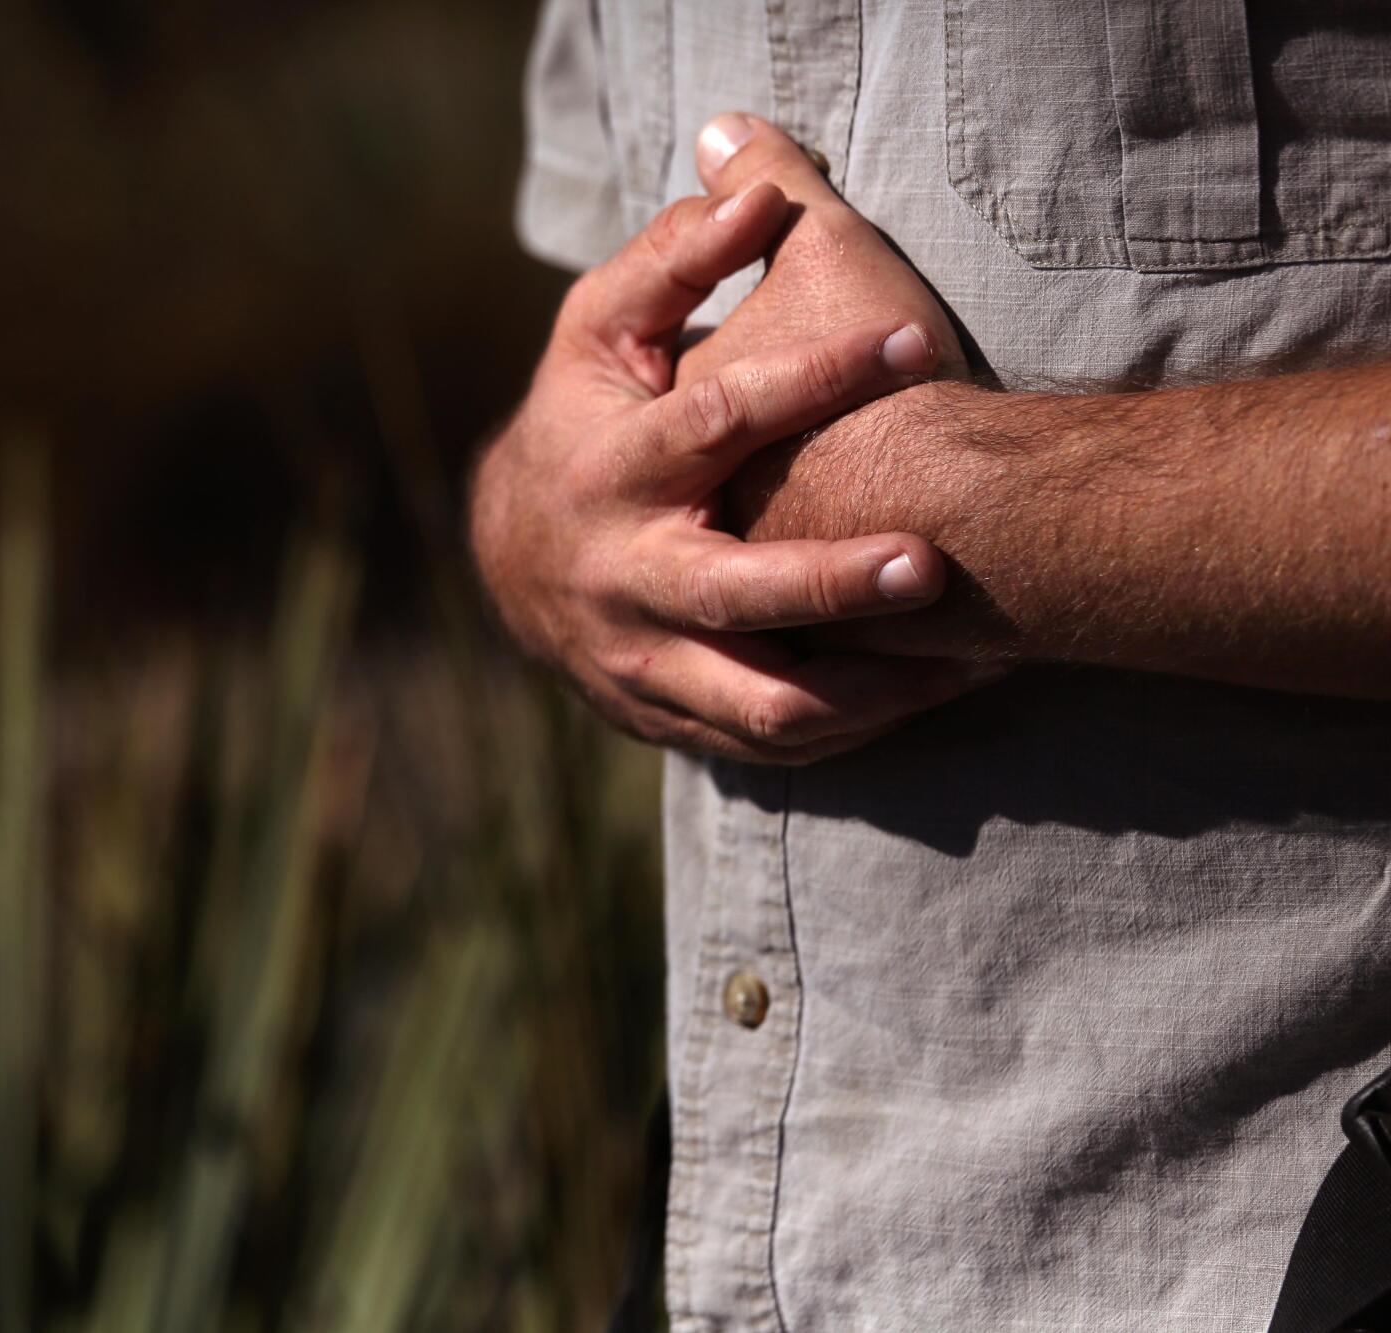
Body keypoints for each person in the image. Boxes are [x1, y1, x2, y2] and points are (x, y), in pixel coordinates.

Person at [470, 2, 1391, 1328]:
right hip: (747, 1246)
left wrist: (977, 513)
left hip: (1286, 1238)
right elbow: (584, 354)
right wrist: (531, 529)